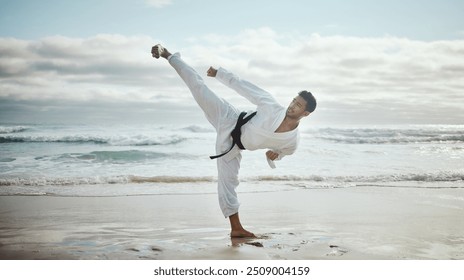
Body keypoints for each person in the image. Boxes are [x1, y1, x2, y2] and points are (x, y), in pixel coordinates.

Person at [151, 44, 316, 238]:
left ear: (305, 113)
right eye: (293, 101)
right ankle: (169, 55)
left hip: (232, 146)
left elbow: (285, 151)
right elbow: (244, 86)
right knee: (199, 87)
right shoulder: (272, 106)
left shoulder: (292, 141)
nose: (292, 106)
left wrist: (276, 155)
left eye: (298, 106)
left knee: (228, 182)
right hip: (229, 117)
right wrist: (219, 73)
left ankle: (236, 229)